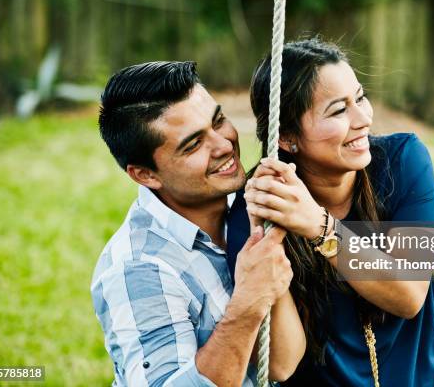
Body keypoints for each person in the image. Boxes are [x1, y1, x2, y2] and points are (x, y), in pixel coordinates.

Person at [227, 38, 434, 386]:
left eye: (359, 98)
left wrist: (319, 226)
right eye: (338, 110)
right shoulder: (257, 206)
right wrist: (269, 241)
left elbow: (408, 295)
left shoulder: (402, 161)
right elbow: (281, 365)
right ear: (286, 137)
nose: (363, 119)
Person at [90, 61, 306, 386]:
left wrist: (321, 227)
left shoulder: (261, 200)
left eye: (218, 121)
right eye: (193, 144)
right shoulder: (138, 270)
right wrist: (248, 302)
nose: (224, 145)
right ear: (145, 174)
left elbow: (408, 278)